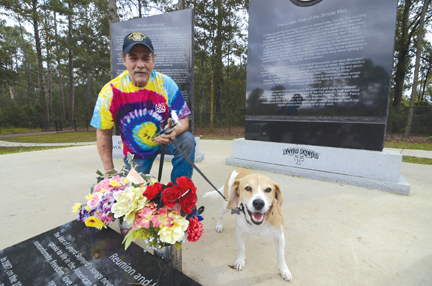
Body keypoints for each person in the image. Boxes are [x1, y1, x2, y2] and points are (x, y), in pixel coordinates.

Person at [90, 32, 195, 183]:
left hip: (165, 141)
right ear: (124, 60)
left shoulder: (166, 84)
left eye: (146, 58)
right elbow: (104, 133)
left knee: (187, 140)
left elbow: (183, 120)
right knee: (133, 198)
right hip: (136, 153)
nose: (140, 65)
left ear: (153, 61)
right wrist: (109, 172)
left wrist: (173, 132)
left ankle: (181, 192)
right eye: (133, 58)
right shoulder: (110, 92)